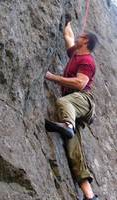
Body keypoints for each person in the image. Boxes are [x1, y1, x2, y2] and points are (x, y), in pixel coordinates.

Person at [45, 15, 99, 200]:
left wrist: (53, 77)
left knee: (63, 102)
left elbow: (80, 83)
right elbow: (68, 36)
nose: (77, 36)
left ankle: (67, 125)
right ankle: (90, 195)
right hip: (74, 104)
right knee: (73, 149)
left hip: (83, 100)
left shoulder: (88, 61)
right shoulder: (75, 54)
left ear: (86, 42)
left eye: (81, 36)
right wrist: (66, 22)